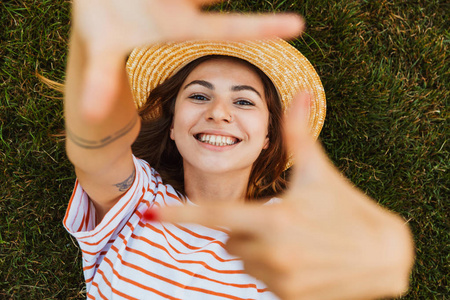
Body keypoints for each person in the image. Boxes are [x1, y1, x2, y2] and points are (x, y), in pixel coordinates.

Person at [62, 0, 414, 299]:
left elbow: (350, 263)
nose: (218, 113)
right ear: (171, 126)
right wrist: (95, 50)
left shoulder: (290, 229)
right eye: (199, 96)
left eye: (244, 102)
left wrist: (385, 255)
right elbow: (98, 147)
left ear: (267, 137)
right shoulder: (139, 202)